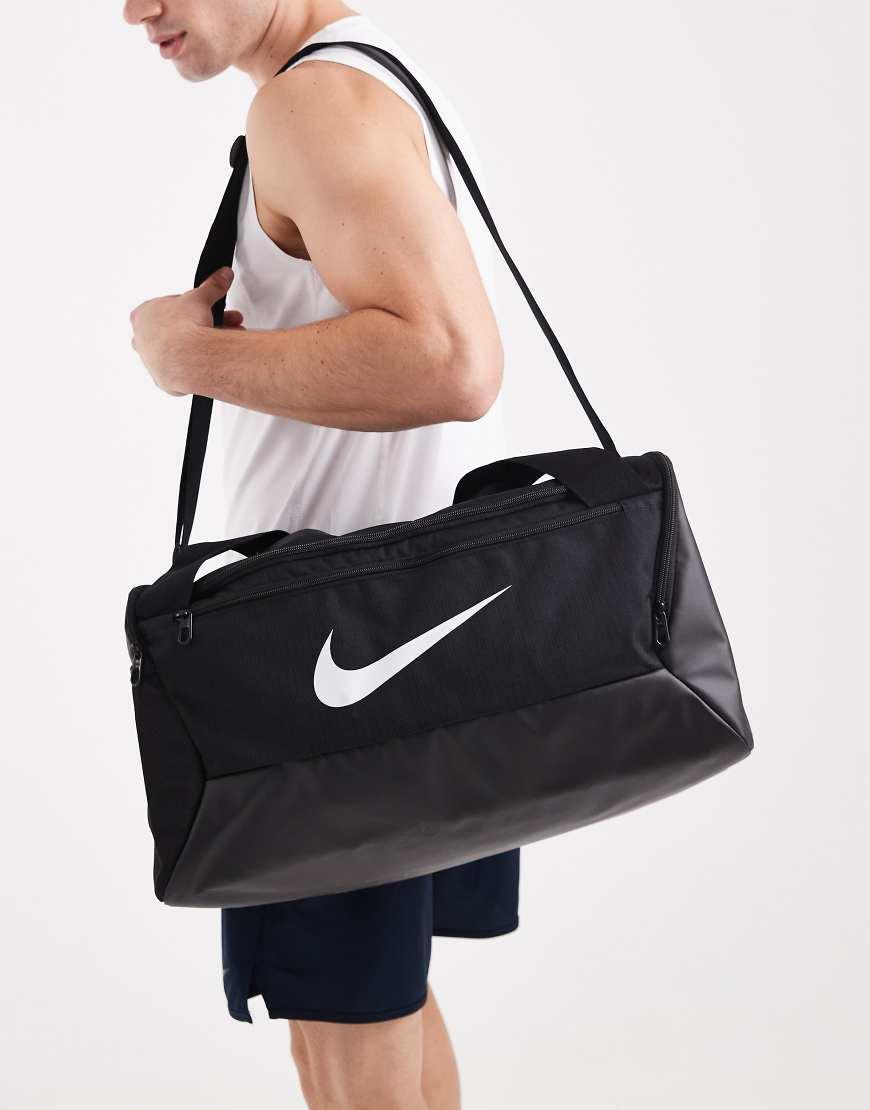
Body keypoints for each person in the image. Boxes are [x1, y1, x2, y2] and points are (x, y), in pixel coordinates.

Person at [125, 2, 519, 1107]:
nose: (134, 8)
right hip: (405, 638)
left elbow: (452, 363)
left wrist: (185, 359)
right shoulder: (367, 76)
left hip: (335, 665)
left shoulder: (312, 102)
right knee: (384, 1006)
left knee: (345, 1048)